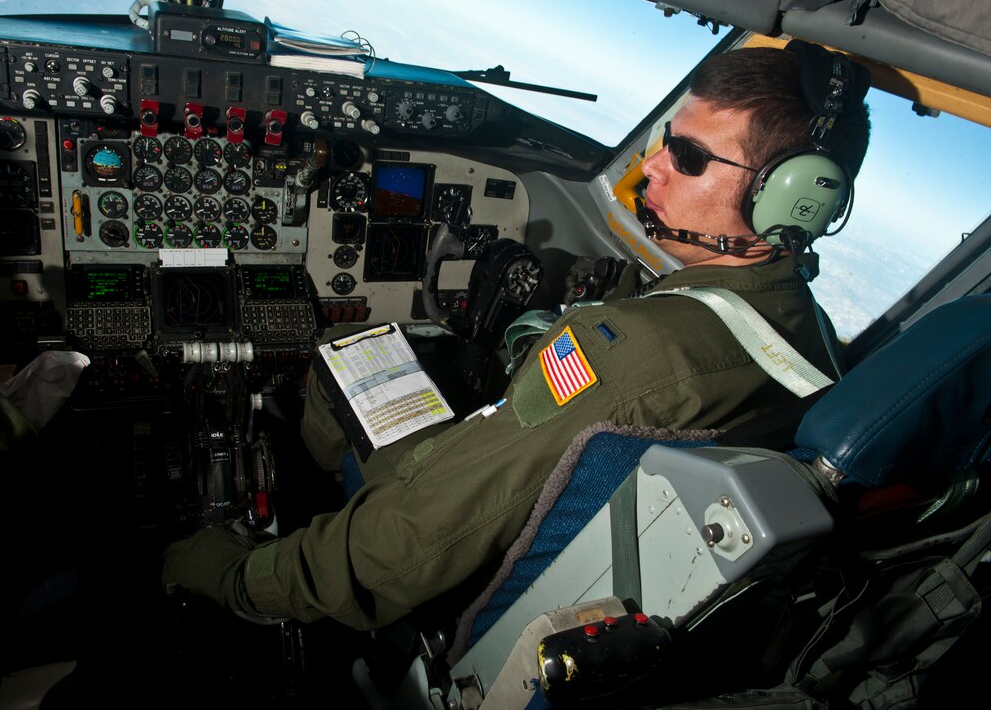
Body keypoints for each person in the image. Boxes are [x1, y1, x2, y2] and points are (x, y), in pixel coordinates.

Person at [162, 42, 872, 631]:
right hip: (597, 578)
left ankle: (316, 506)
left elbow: (409, 541)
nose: (650, 165)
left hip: (461, 579)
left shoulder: (638, 352)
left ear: (790, 199)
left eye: (687, 156)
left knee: (348, 356)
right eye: (661, 141)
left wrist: (237, 578)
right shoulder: (811, 338)